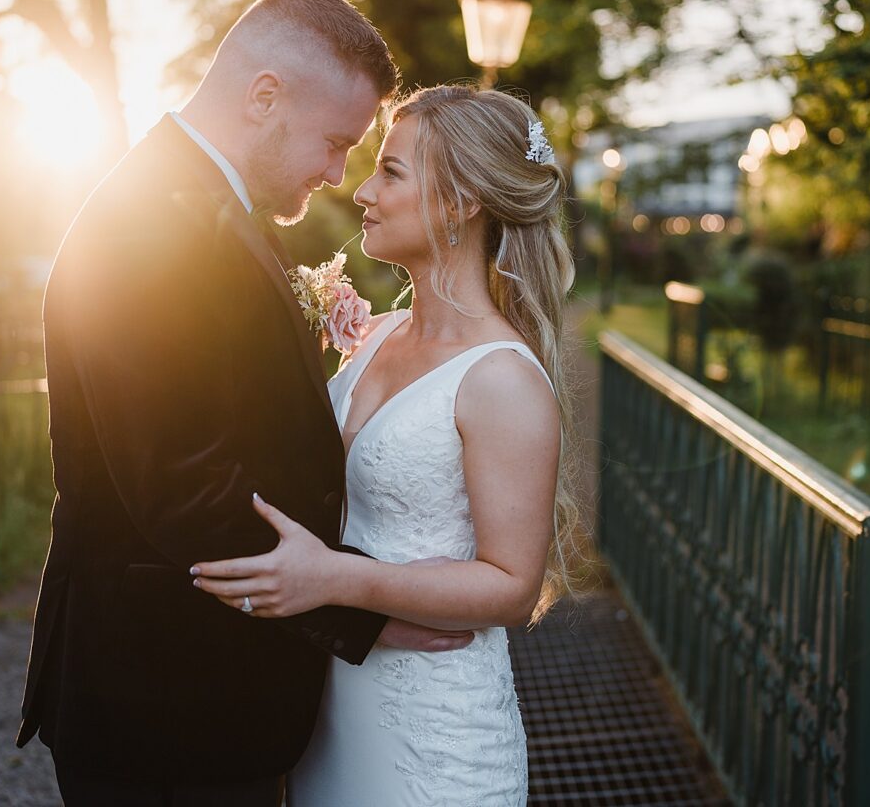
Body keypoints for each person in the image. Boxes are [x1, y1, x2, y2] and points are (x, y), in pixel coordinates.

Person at [16, 0, 474, 806]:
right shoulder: (148, 224)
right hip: (163, 702)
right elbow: (182, 486)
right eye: (336, 142)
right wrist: (359, 604)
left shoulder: (202, 203)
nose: (340, 174)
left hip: (201, 697)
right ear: (265, 97)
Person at [191, 84, 579, 805]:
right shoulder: (374, 339)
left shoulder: (501, 379)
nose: (362, 191)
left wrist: (338, 583)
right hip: (336, 710)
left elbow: (510, 586)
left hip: (433, 734)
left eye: (392, 172)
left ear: (463, 202)